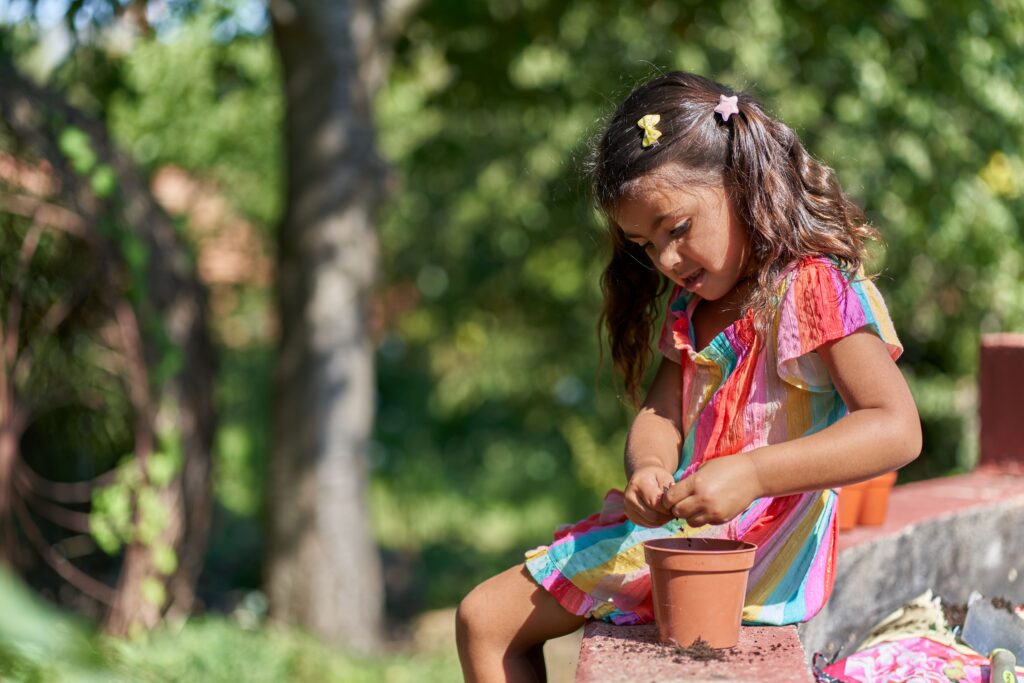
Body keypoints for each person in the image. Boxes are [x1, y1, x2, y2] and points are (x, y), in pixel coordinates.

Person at [455, 71, 921, 683]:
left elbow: (896, 429)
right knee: (484, 620)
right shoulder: (694, 310)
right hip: (693, 536)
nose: (667, 260)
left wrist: (753, 474)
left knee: (484, 620)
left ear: (743, 184)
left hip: (752, 554)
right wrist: (648, 468)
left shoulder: (811, 287)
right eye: (645, 245)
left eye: (676, 229)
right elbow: (661, 414)